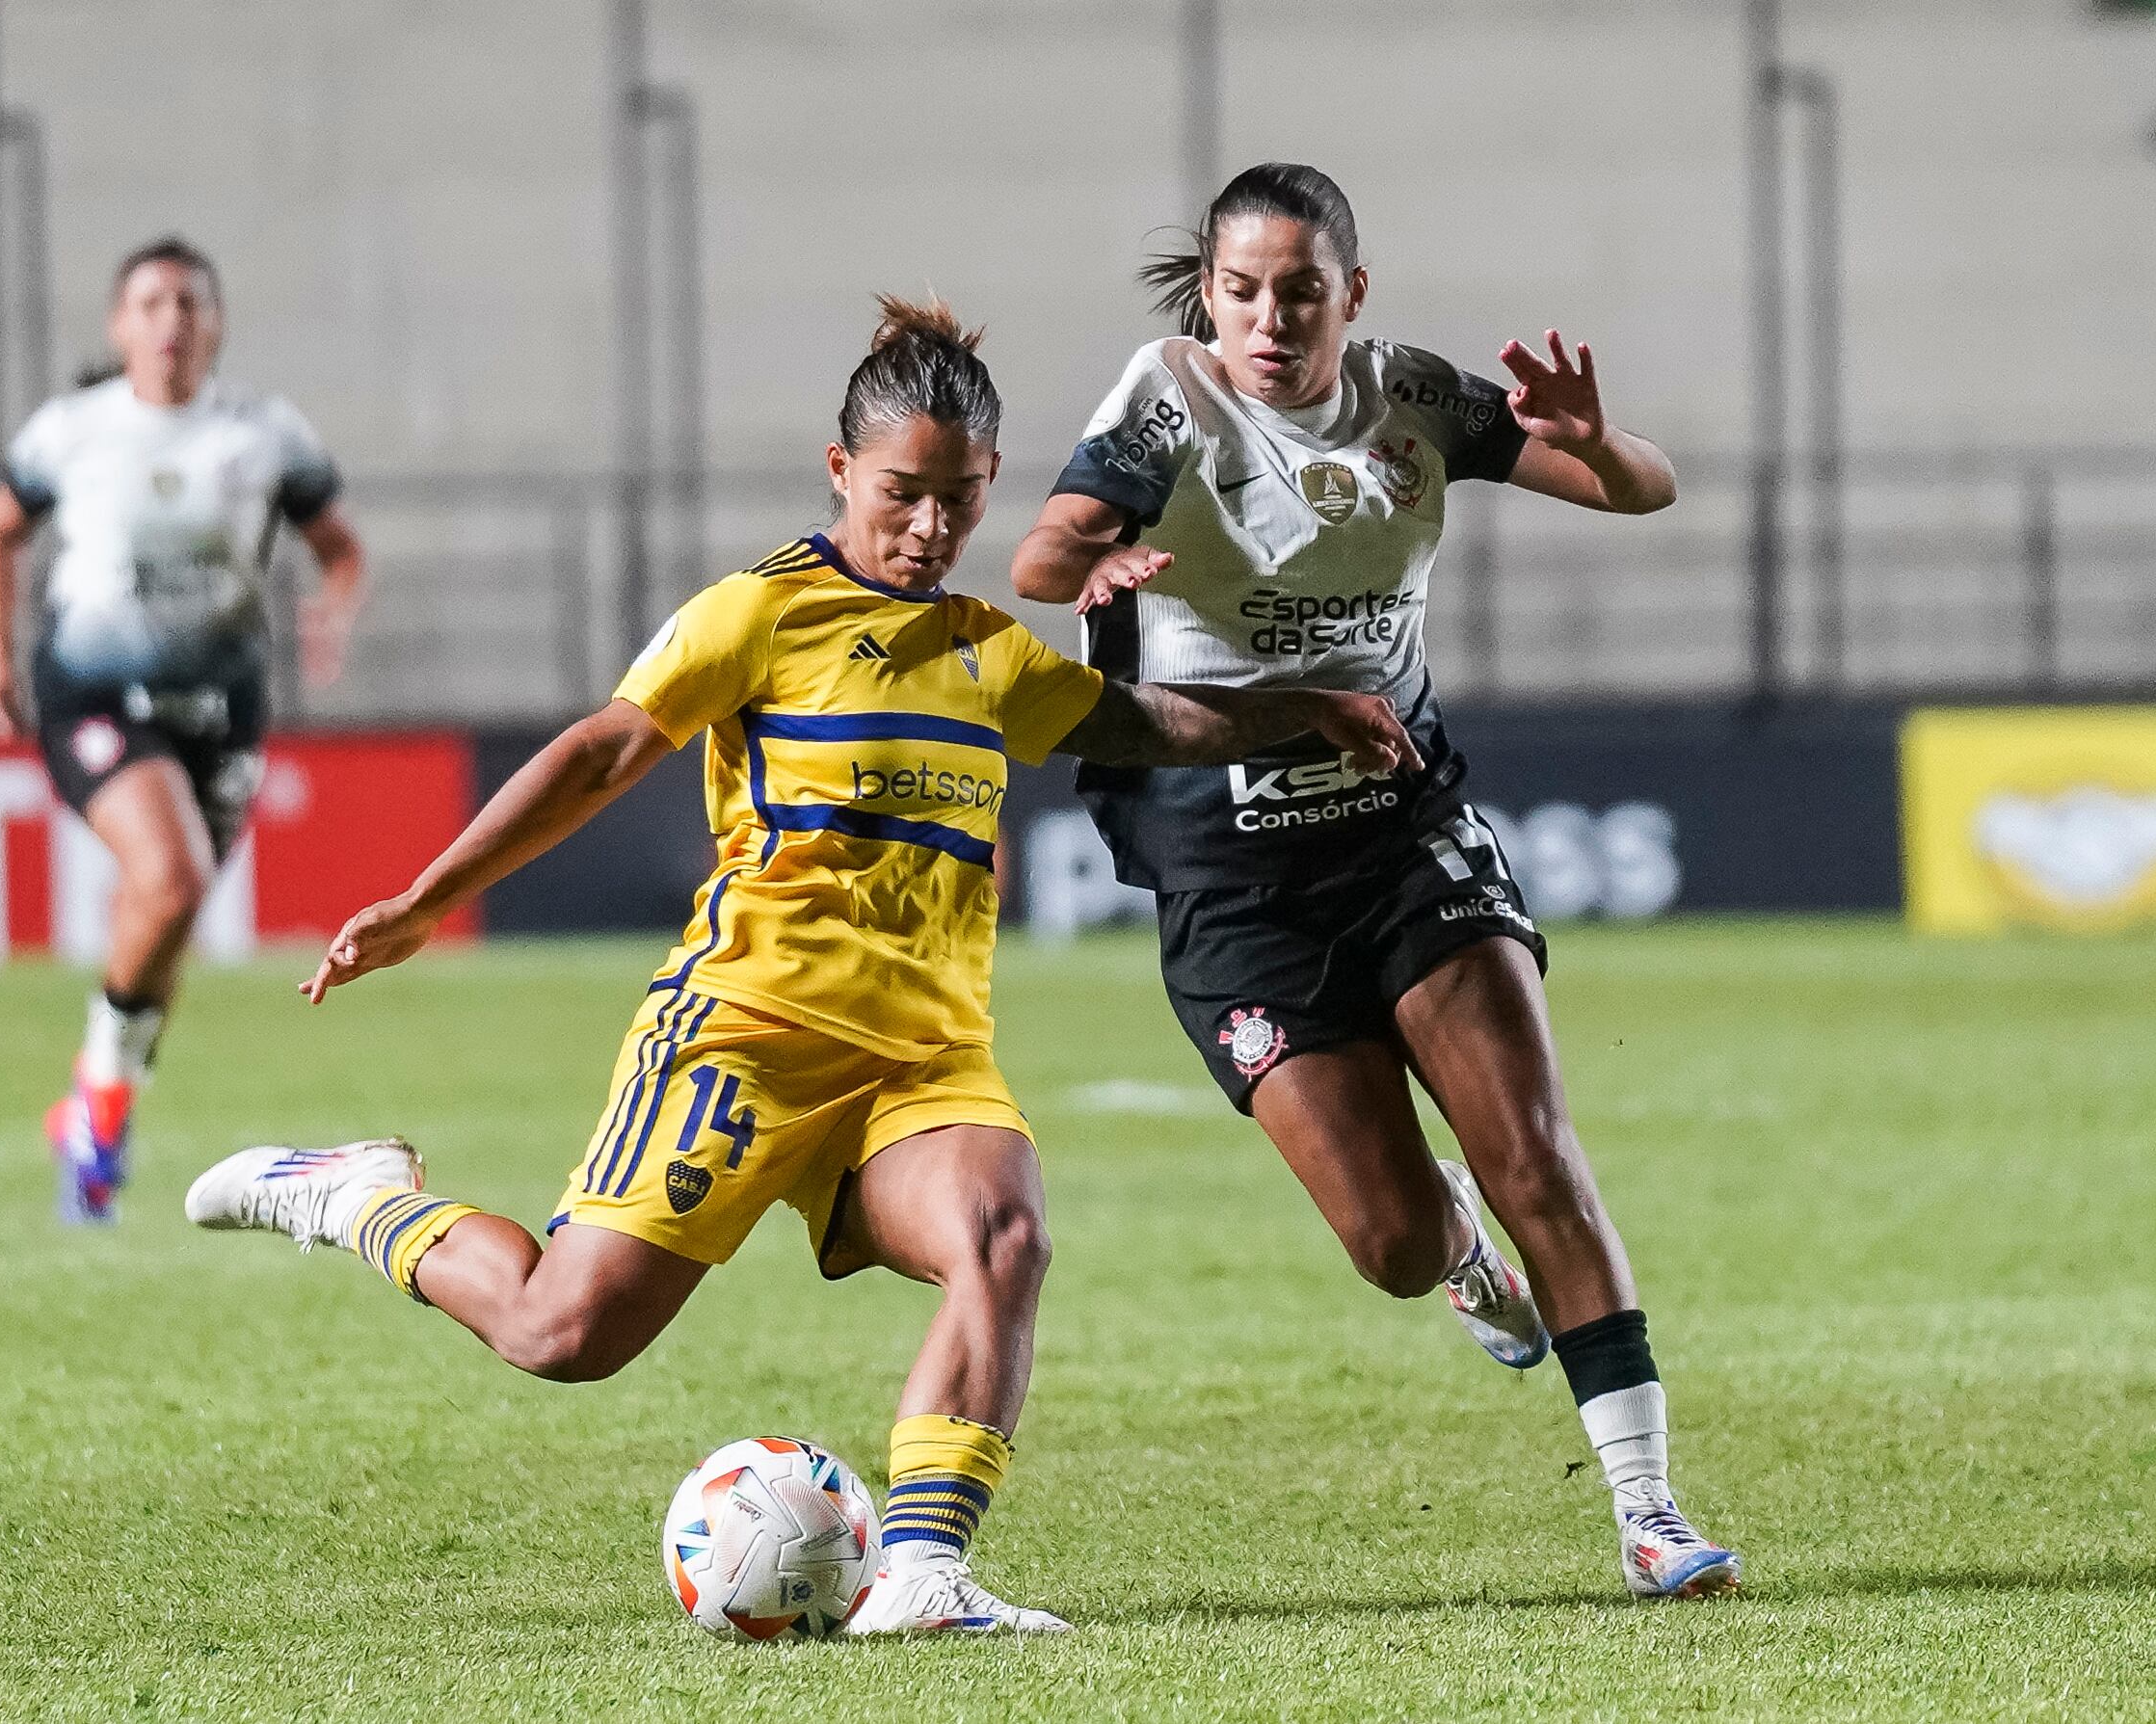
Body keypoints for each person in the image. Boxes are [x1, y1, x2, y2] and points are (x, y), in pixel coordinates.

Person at [183, 297, 1417, 1636]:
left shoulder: (984, 650)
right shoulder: (759, 614)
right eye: (902, 494)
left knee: (1005, 1232)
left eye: (957, 499)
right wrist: (430, 897)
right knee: (561, 1333)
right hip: (746, 1034)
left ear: (989, 486)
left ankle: (926, 1572)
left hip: (920, 1060)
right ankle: (361, 1198)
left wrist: (1307, 704)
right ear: (842, 474)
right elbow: (603, 749)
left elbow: (1142, 721)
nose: (931, 527)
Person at [1010, 164, 1739, 1599]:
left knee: (1537, 1149)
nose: (1269, 319)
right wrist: (1101, 562)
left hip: (1402, 827)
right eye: (1241, 290)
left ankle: (1650, 1509)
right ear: (1208, 296)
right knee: (1392, 1243)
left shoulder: (1410, 397)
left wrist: (1598, 443)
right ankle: (1457, 1244)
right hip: (1227, 874)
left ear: (1354, 291)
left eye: (1299, 289)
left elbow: (1642, 491)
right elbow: (1041, 557)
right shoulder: (1170, 398)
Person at [0, 236, 365, 1224]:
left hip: (221, 710)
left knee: (164, 911)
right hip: (92, 695)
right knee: (173, 876)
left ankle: (97, 1103)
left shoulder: (264, 434)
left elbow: (340, 547)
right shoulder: (73, 431)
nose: (171, 321)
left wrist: (334, 607)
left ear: (215, 324)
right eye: (150, 303)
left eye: (189, 303)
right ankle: (102, 1107)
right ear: (120, 325)